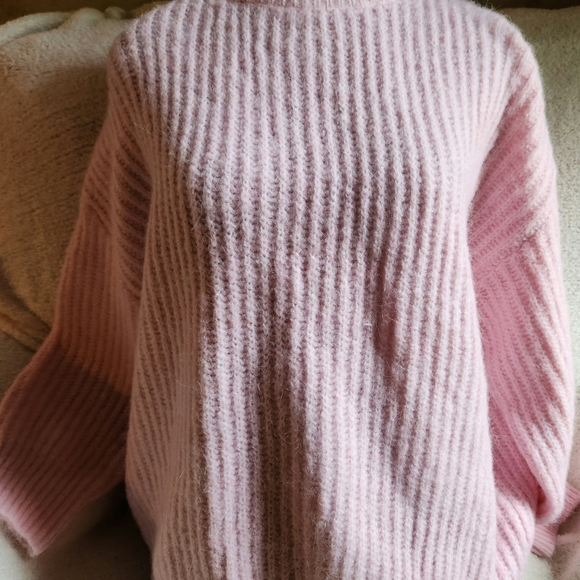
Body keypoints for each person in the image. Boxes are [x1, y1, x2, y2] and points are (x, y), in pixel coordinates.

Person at [0, 0, 576, 577]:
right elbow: (112, 312)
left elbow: (518, 307)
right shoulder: (157, 54)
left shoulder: (486, 53)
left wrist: (529, 504)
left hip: (428, 536)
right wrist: (30, 480)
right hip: (217, 525)